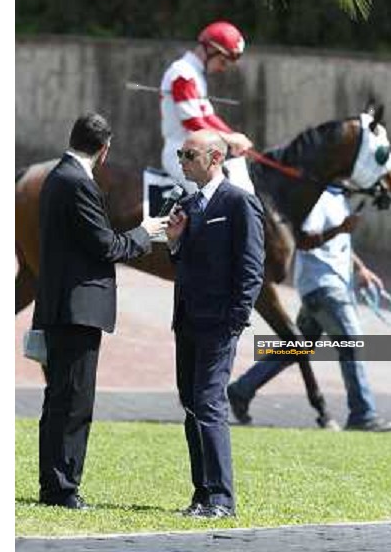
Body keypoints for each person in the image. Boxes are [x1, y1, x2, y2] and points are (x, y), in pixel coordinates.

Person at [32, 113, 169, 509]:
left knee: (59, 399)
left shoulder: (58, 176)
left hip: (64, 305)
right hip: (78, 309)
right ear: (104, 149)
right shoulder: (78, 183)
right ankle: (61, 489)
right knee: (73, 402)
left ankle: (53, 484)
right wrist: (147, 233)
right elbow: (107, 246)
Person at [227, 185, 391, 432]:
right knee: (351, 343)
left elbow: (339, 240)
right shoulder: (317, 198)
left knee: (297, 347)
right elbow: (304, 240)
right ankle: (363, 413)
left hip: (326, 286)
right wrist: (341, 228)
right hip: (323, 287)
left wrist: (360, 268)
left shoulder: (338, 197)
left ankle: (241, 390)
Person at [165, 129, 265, 518]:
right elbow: (186, 263)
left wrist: (236, 320)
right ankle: (202, 494)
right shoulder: (188, 203)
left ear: (215, 158)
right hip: (187, 320)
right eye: (181, 154)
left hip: (219, 324)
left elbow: (252, 268)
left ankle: (222, 498)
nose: (183, 161)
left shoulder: (240, 203)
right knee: (191, 404)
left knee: (209, 403)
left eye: (189, 155)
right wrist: (175, 242)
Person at [160, 20, 254, 194]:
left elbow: (208, 118)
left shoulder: (195, 75)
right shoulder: (183, 73)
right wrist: (230, 139)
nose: (222, 68)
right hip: (182, 153)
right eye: (223, 62)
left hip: (199, 153)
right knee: (216, 198)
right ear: (210, 49)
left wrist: (234, 136)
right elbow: (192, 122)